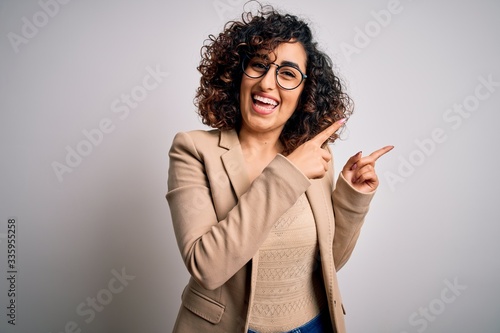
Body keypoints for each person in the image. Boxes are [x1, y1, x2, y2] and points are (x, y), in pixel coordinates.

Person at [166, 3, 393, 333]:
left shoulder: (314, 154)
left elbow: (328, 263)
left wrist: (352, 199)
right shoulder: (193, 150)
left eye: (287, 73)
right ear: (237, 74)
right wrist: (287, 173)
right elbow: (208, 266)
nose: (268, 84)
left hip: (313, 325)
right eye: (258, 65)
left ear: (305, 93)